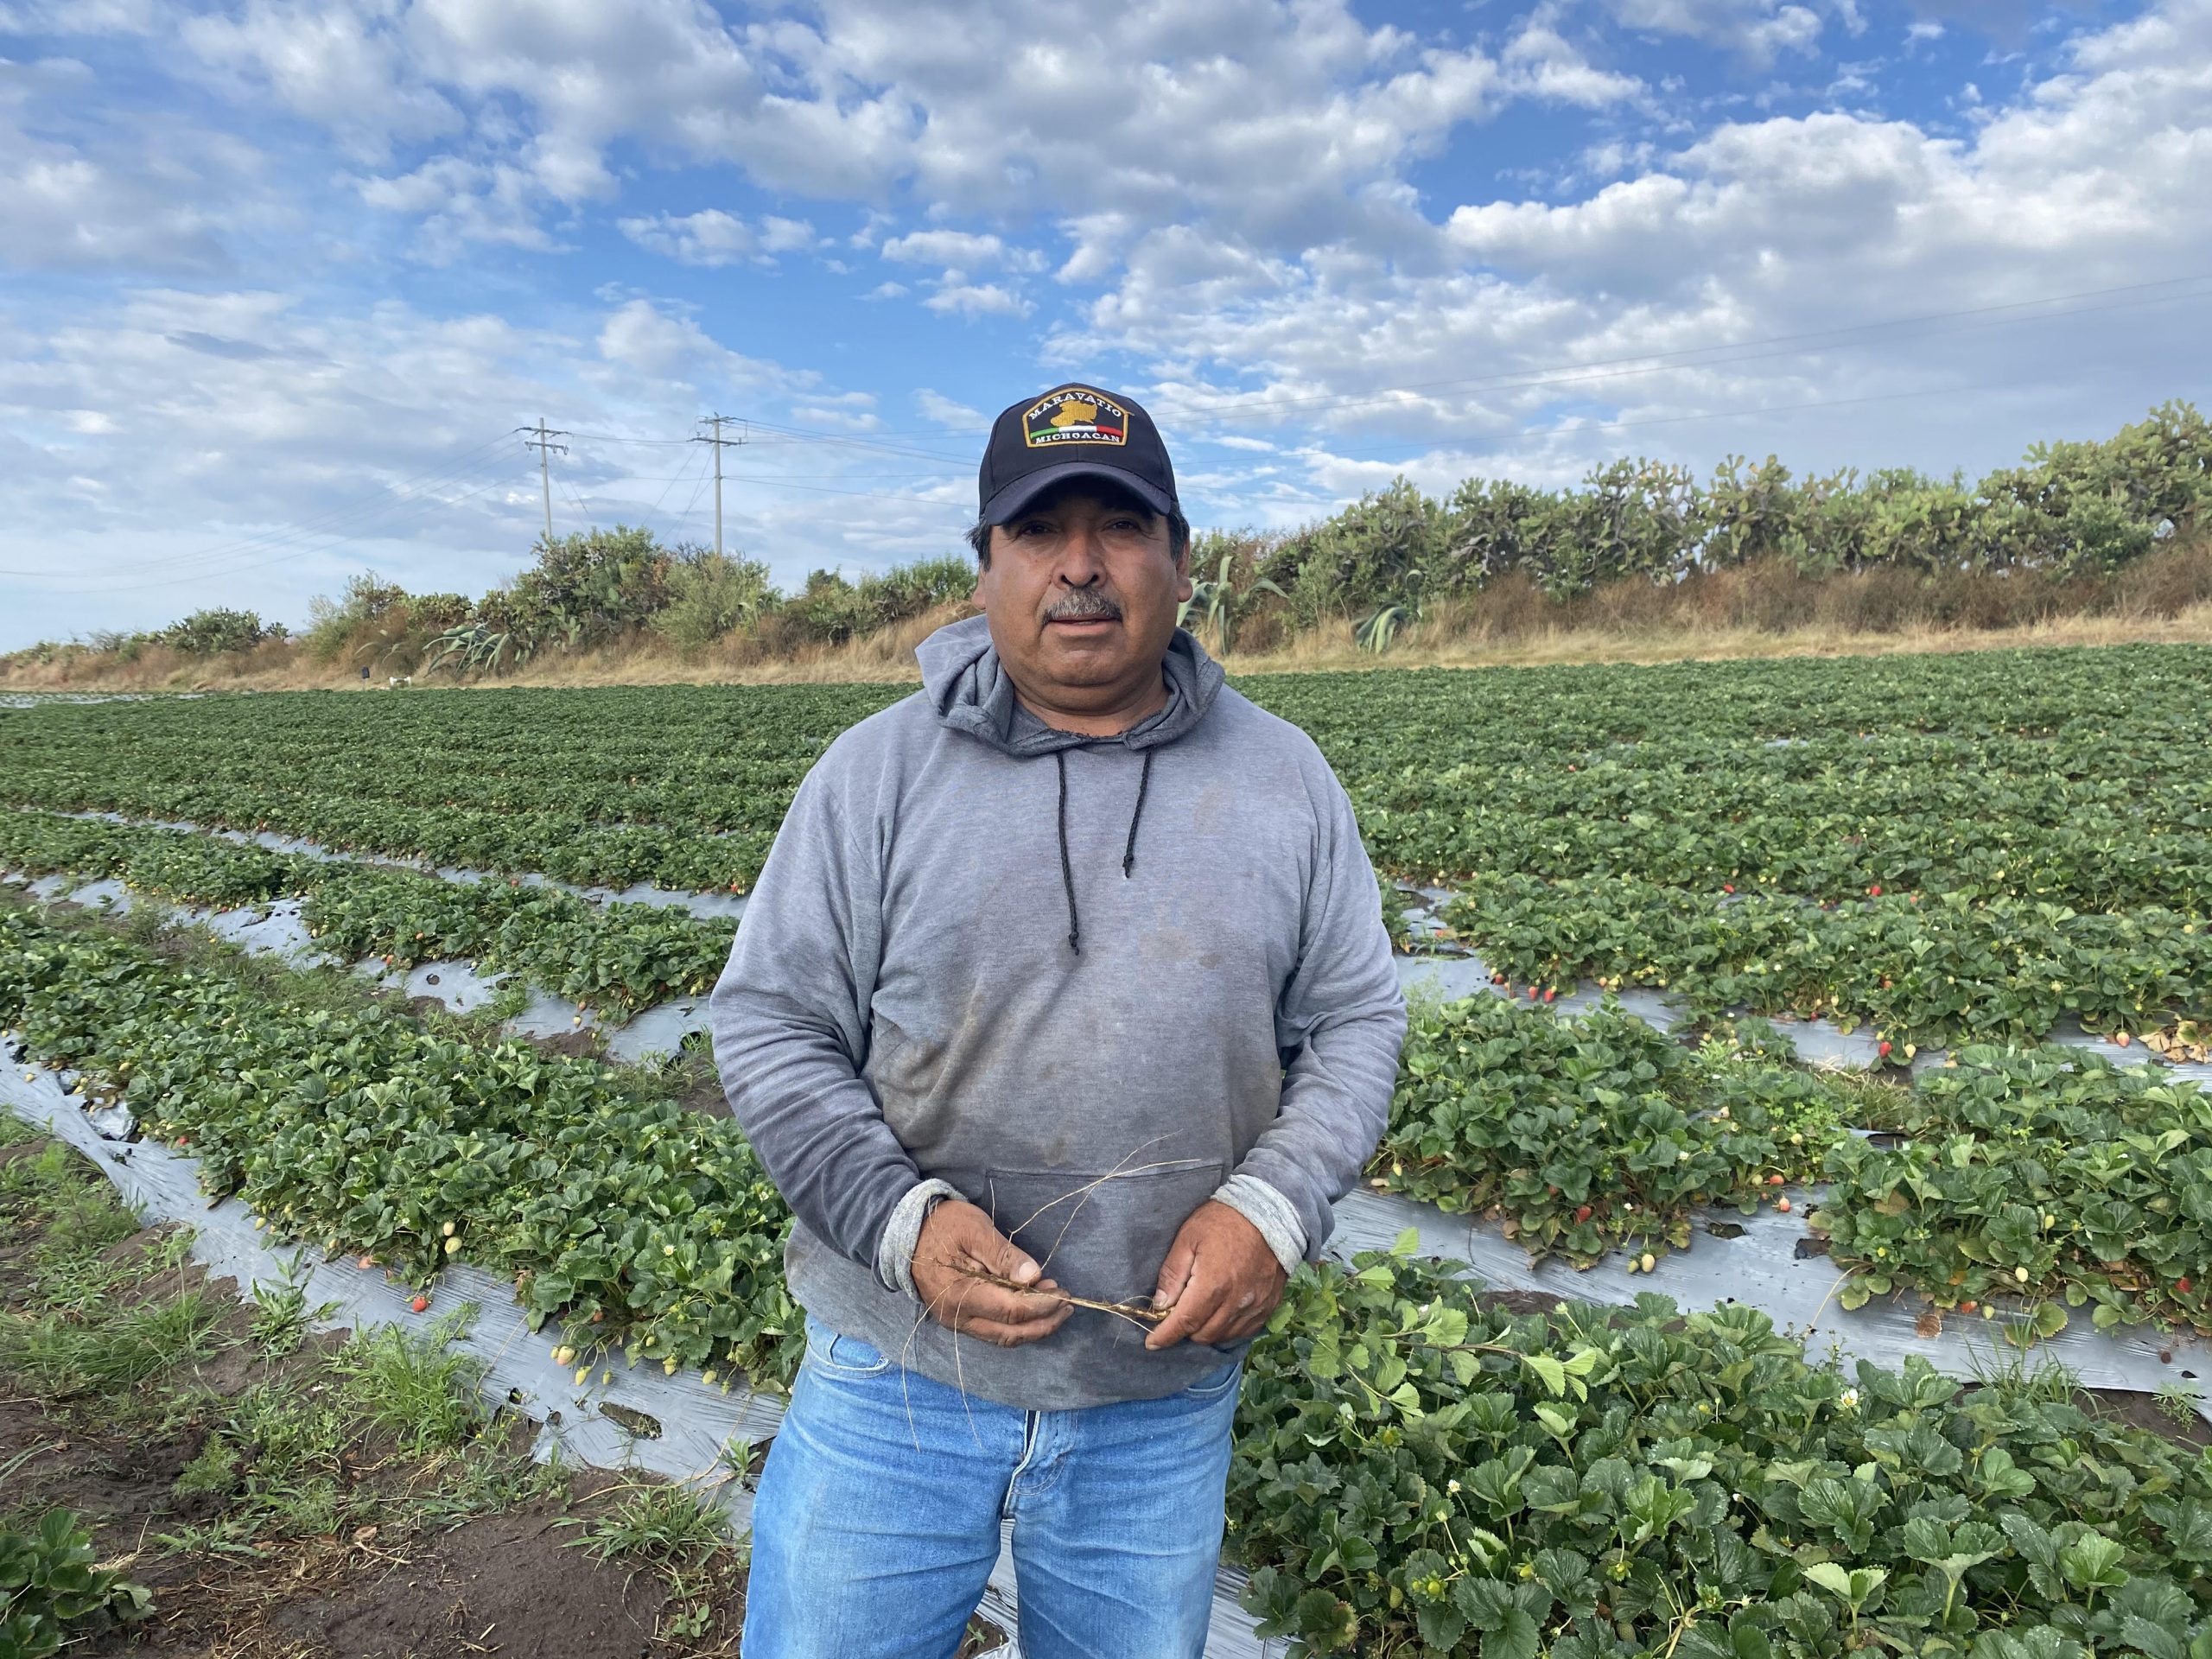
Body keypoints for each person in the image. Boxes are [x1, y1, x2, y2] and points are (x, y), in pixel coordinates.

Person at [710, 381, 1407, 1658]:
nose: (1081, 567)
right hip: (895, 1380)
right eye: (1039, 532)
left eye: (1122, 526)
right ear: (982, 569)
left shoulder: (1284, 780)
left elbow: (1358, 1020)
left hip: (1154, 1396)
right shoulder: (875, 775)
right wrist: (896, 1221)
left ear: (1184, 563)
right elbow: (768, 1023)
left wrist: (1272, 1209)